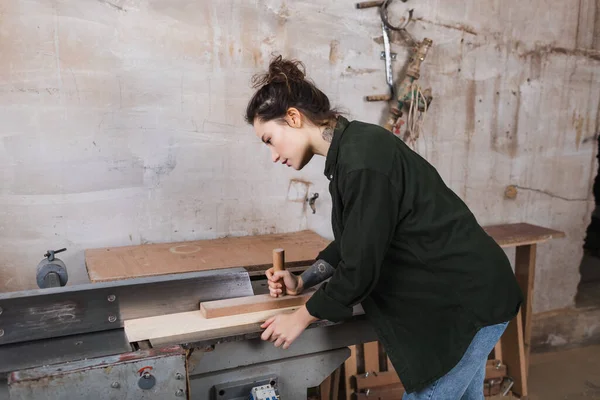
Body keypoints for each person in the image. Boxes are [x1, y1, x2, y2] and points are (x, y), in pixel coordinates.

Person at [244, 55, 523, 400]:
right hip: (469, 296)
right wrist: (304, 281)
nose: (273, 155)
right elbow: (355, 239)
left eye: (269, 139)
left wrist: (302, 316)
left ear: (293, 117)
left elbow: (360, 266)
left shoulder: (362, 161)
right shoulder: (353, 150)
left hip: (468, 301)